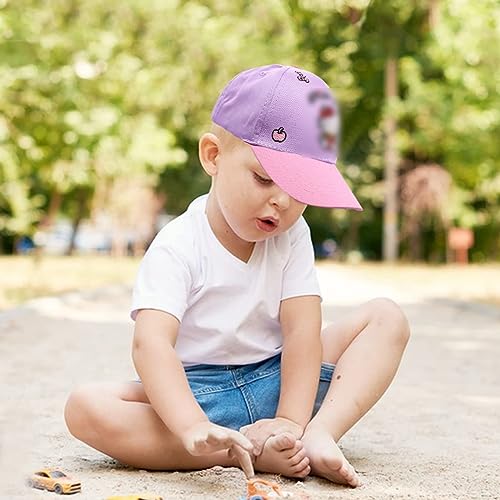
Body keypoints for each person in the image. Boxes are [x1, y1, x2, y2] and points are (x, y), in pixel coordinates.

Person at [64, 64, 410, 487]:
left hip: (280, 380)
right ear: (213, 156)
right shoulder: (178, 244)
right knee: (85, 407)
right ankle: (233, 450)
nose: (281, 201)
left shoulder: (293, 234)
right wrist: (191, 425)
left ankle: (317, 435)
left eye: (301, 191)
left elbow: (302, 331)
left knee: (386, 317)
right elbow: (151, 344)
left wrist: (290, 419)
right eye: (264, 178)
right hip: (197, 394)